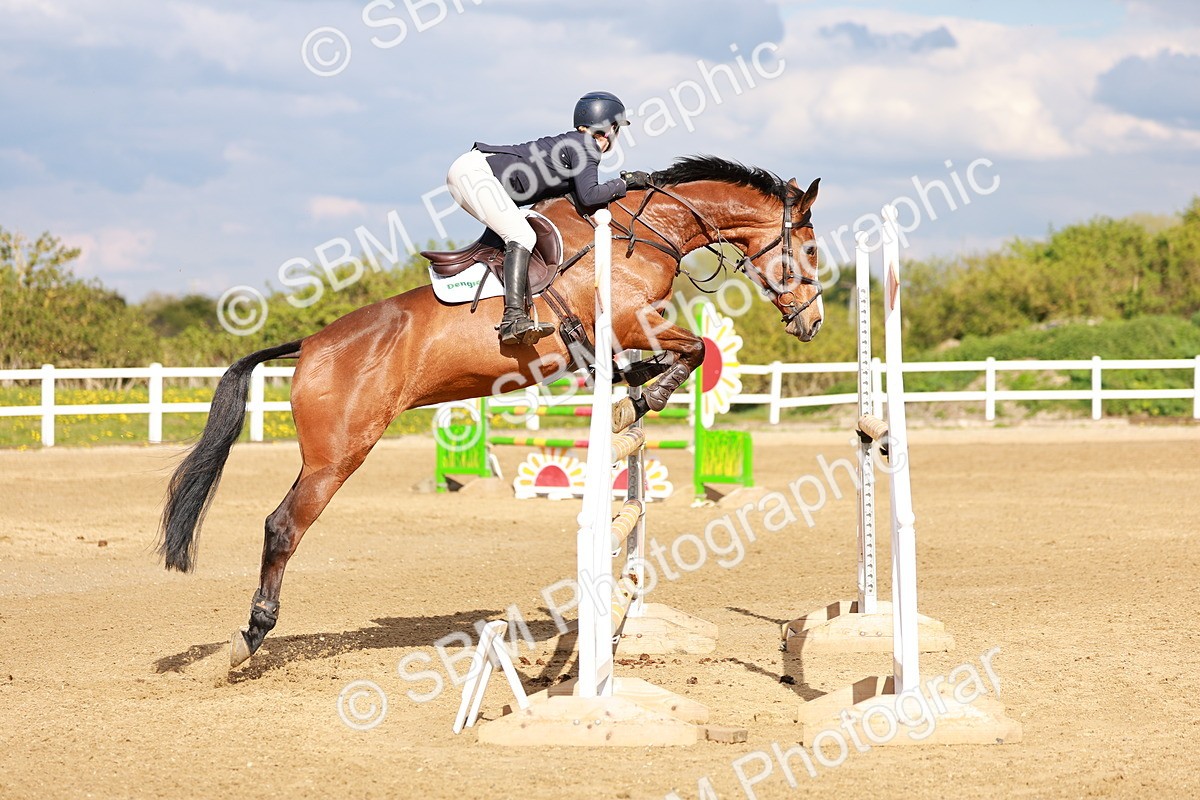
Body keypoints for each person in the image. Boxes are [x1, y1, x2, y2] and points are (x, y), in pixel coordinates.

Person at [446, 91, 652, 345]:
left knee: (516, 233)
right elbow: (589, 196)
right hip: (475, 174)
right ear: (609, 128)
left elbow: (569, 201)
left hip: (472, 173)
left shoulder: (574, 144)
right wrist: (625, 183)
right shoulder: (585, 145)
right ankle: (513, 319)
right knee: (521, 235)